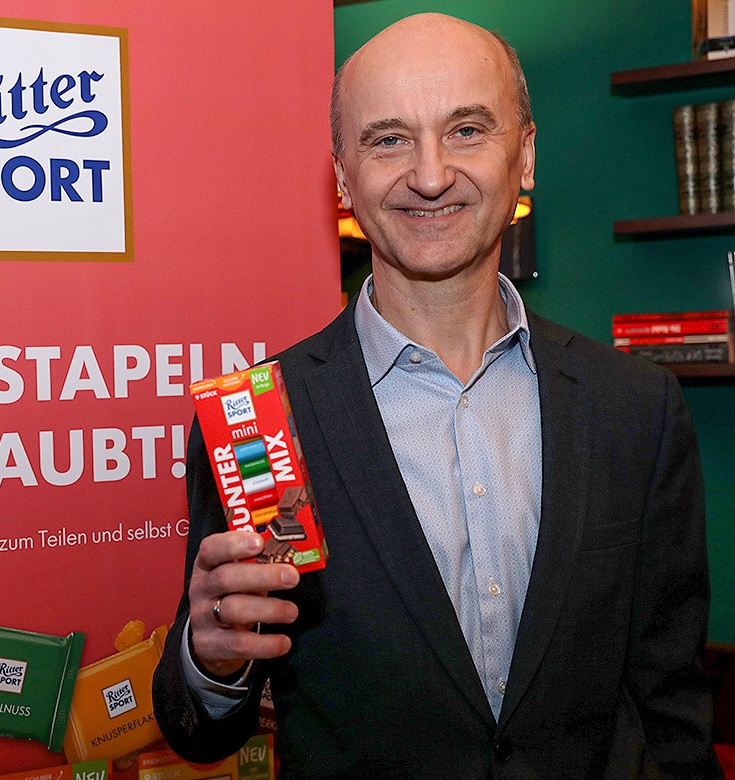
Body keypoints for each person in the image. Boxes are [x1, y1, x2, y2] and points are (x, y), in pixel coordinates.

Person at [151, 13, 722, 778]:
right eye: (388, 139)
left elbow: (672, 707)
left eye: (466, 130)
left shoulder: (635, 409)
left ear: (525, 155)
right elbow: (199, 729)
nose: (429, 174)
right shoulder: (258, 420)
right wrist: (211, 660)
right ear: (343, 176)